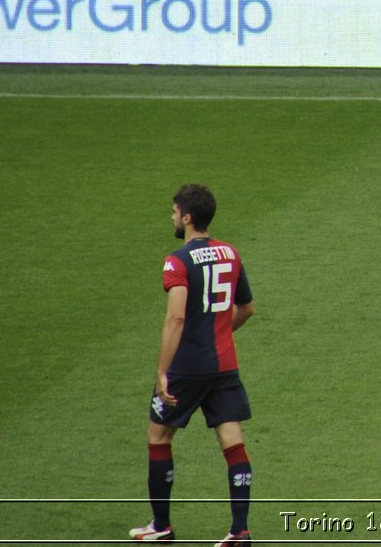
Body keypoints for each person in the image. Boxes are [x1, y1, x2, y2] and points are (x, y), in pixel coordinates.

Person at [129, 183, 257, 547]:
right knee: (233, 442)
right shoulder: (231, 254)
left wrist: (162, 372)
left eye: (174, 211)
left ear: (187, 217)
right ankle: (240, 531)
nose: (171, 216)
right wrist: (219, 332)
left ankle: (162, 526)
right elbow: (247, 308)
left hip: (188, 367)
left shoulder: (177, 261)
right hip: (224, 365)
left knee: (158, 436)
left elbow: (176, 320)